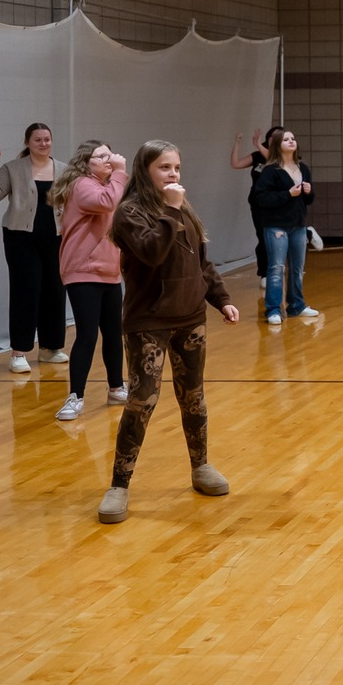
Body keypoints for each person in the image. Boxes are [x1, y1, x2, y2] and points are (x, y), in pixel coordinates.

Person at [100, 140, 240, 524]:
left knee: (193, 397)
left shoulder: (183, 208)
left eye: (177, 167)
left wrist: (220, 298)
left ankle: (201, 466)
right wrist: (171, 211)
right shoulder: (129, 213)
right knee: (142, 400)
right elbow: (151, 252)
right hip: (149, 322)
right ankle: (119, 485)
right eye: (165, 168)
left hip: (190, 317)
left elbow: (201, 260)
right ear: (146, 171)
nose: (174, 174)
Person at [49, 140, 130, 421]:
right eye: (102, 156)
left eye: (111, 154)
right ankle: (76, 397)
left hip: (108, 270)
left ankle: (116, 387)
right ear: (87, 163)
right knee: (87, 333)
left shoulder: (108, 186)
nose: (110, 159)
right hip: (82, 270)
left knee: (113, 331)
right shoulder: (83, 185)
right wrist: (120, 171)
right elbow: (107, 202)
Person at [0, 122, 66, 373]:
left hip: (56, 237)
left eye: (47, 139)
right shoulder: (13, 168)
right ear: (27, 142)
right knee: (26, 290)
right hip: (20, 237)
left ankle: (51, 348)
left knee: (54, 288)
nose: (43, 144)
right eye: (38, 140)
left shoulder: (63, 169)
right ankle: (19, 352)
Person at [249, 128, 318, 325]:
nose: (291, 141)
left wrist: (309, 191)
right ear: (278, 145)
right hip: (276, 227)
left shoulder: (302, 168)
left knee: (297, 268)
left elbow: (309, 200)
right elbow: (261, 198)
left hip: (298, 225)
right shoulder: (271, 171)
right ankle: (272, 309)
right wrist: (288, 194)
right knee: (276, 268)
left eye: (293, 138)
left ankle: (296, 305)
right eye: (286, 139)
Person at [231, 128, 271, 280]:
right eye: (272, 137)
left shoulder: (285, 156)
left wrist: (258, 145)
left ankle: (307, 233)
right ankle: (265, 274)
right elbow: (236, 164)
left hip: (279, 202)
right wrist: (237, 143)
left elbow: (275, 159)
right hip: (258, 203)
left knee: (284, 233)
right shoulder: (258, 156)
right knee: (262, 236)